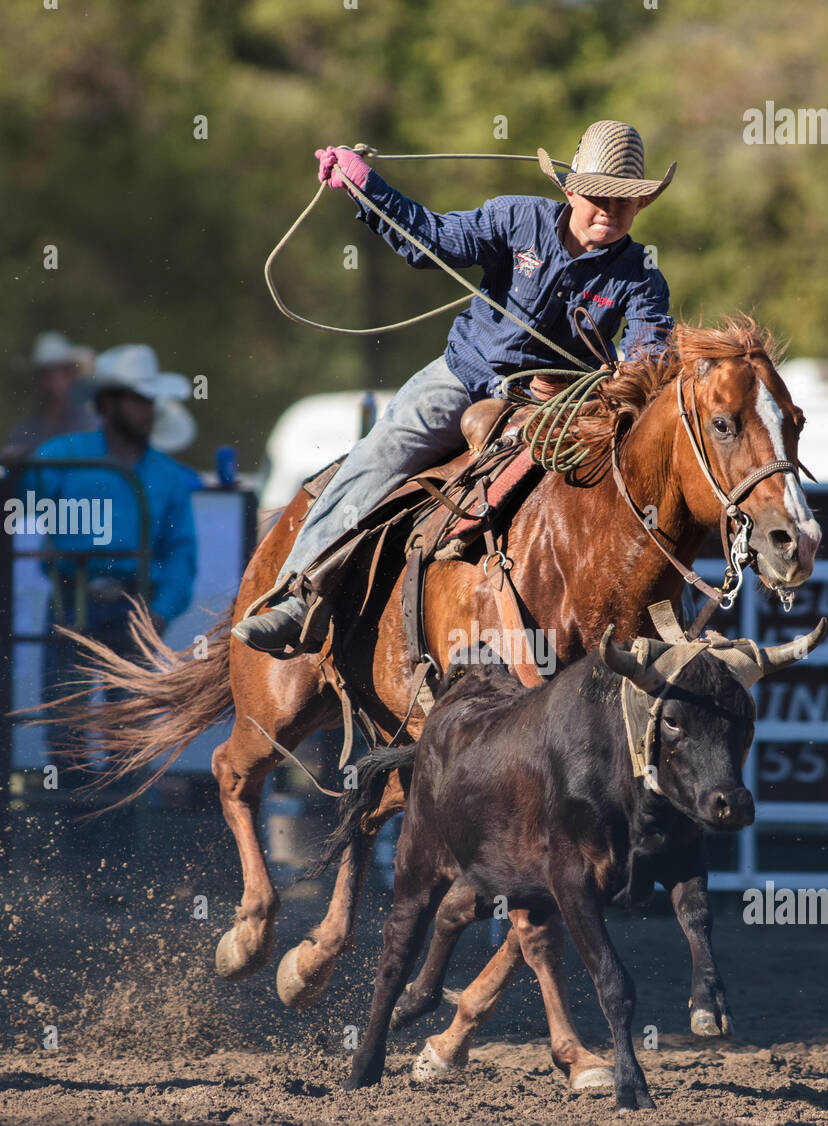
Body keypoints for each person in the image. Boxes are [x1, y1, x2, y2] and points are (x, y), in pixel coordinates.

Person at [232, 119, 676, 656]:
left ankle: (672, 635)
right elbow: (432, 242)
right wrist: (367, 187)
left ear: (642, 206)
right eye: (598, 196)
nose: (608, 210)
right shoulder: (516, 219)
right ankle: (297, 595)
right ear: (569, 189)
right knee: (380, 456)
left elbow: (648, 360)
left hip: (554, 412)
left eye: (624, 201)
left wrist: (609, 385)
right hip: (462, 379)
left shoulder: (641, 277)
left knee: (637, 497)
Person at [24, 344, 200, 711]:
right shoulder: (62, 455)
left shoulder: (168, 476)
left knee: (132, 724)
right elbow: (21, 498)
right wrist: (14, 472)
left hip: (136, 604)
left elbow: (181, 553)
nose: (147, 409)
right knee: (63, 721)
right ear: (106, 404)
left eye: (150, 400)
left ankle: (124, 772)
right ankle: (70, 772)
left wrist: (162, 610)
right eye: (138, 398)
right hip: (70, 600)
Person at [2, 331, 97, 463]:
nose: (55, 380)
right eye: (47, 373)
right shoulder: (25, 429)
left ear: (71, 375)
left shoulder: (91, 422)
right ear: (36, 379)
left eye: (61, 372)